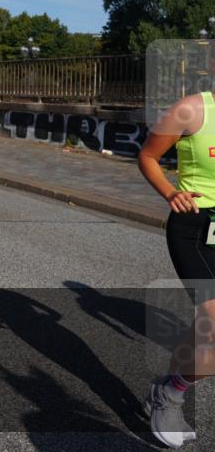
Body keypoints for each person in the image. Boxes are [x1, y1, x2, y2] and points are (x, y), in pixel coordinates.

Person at [137, 47, 214, 450]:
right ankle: (171, 393)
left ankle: (168, 388)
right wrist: (170, 192)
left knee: (207, 326)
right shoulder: (191, 110)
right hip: (194, 230)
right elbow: (148, 155)